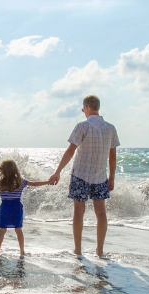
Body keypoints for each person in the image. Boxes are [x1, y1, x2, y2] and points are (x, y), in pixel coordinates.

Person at [48, 95, 120, 258]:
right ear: (98, 108)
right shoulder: (110, 128)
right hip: (101, 177)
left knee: (78, 213)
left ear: (86, 108)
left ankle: (78, 250)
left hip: (80, 175)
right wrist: (112, 178)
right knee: (101, 213)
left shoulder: (83, 126)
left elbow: (70, 151)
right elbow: (113, 156)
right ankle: (99, 251)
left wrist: (58, 171)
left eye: (83, 109)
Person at [0, 159, 50, 255]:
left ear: (2, 170)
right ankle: (22, 251)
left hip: (5, 208)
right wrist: (47, 182)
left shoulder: (0, 183)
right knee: (18, 230)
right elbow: (34, 184)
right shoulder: (20, 181)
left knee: (2, 230)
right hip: (16, 207)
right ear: (15, 170)